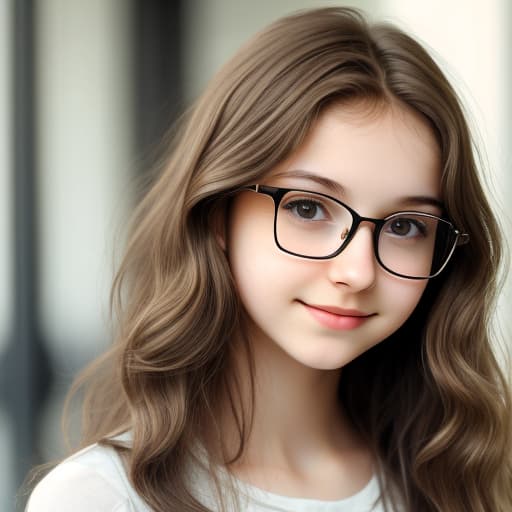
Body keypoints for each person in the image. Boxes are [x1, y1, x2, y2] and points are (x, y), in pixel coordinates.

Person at [26, 7, 512, 512]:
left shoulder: (454, 479)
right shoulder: (101, 498)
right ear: (219, 215)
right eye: (308, 208)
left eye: (406, 226)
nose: (357, 271)